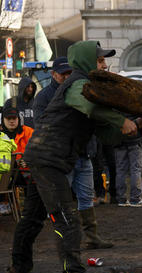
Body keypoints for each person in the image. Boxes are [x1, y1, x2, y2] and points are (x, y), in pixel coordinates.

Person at [1, 40, 141, 273]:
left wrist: (136, 125)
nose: (104, 65)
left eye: (104, 60)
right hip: (48, 159)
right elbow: (90, 109)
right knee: (68, 221)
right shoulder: (77, 83)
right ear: (87, 61)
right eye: (100, 60)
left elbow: (104, 133)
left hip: (45, 158)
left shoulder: (88, 89)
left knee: (31, 218)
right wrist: (120, 120)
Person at [34, 57, 113, 249]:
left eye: (70, 73)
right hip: (63, 157)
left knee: (86, 195)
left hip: (82, 154)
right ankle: (67, 238)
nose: (67, 76)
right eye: (63, 73)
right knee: (62, 199)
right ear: (53, 74)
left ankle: (91, 237)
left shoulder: (78, 89)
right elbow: (41, 125)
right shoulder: (45, 96)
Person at [114, 117, 142, 207]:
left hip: (120, 140)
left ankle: (121, 198)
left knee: (120, 170)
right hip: (134, 139)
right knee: (135, 169)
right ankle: (135, 198)